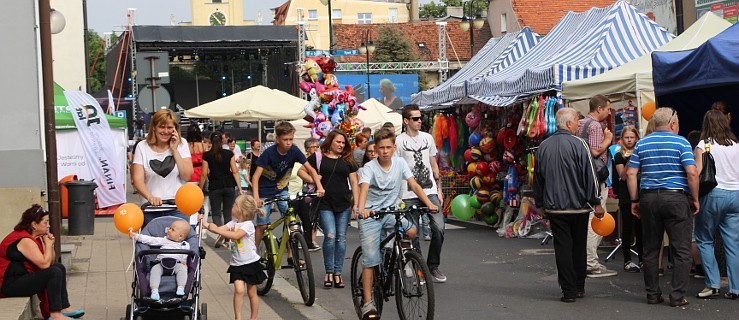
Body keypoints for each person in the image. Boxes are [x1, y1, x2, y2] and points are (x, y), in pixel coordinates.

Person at [355, 128, 439, 319]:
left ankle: (398, 258)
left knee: (411, 231)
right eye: (381, 148)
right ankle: (368, 302)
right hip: (371, 215)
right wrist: (361, 209)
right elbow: (364, 188)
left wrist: (429, 203)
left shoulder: (400, 163)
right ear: (375, 149)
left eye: (388, 147)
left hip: (391, 212)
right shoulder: (369, 168)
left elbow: (414, 184)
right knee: (370, 258)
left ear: (394, 148)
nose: (385, 151)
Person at [626, 107, 700, 307]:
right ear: (673, 123)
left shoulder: (642, 144)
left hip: (649, 199)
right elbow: (692, 173)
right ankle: (677, 296)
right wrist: (695, 198)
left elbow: (631, 173)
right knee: (681, 249)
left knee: (650, 248)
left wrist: (634, 200)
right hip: (676, 199)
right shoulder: (681, 142)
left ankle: (652, 294)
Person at [534, 108, 605, 303]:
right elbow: (590, 175)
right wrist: (596, 201)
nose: (578, 125)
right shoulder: (580, 144)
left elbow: (538, 179)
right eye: (576, 122)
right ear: (568, 124)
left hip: (555, 207)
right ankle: (579, 286)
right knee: (578, 247)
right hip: (578, 206)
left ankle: (568, 291)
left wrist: (540, 203)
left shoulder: (543, 146)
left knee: (563, 248)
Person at [0, 205, 84, 320]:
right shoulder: (25, 240)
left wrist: (50, 245)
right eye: (45, 222)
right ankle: (55, 314)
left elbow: (51, 261)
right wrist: (48, 245)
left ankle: (63, 307)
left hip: (20, 278)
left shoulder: (34, 237)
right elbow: (44, 265)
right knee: (53, 272)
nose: (48, 225)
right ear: (34, 225)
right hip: (8, 285)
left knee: (59, 267)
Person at [299, 131, 359, 289]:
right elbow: (301, 171)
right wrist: (314, 180)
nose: (341, 145)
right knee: (330, 235)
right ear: (330, 141)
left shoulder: (347, 159)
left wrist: (357, 203)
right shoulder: (319, 157)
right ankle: (329, 271)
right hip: (325, 203)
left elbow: (354, 182)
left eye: (343, 143)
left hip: (344, 203)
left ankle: (338, 272)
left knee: (341, 238)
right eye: (338, 142)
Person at [252, 121, 324, 250]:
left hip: (282, 189)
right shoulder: (269, 153)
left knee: (290, 221)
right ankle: (253, 253)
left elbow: (311, 170)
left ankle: (293, 255)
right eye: (285, 139)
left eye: (291, 139)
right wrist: (256, 197)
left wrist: (319, 187)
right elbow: (256, 176)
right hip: (265, 191)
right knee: (262, 225)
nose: (289, 142)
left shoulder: (294, 151)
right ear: (278, 139)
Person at [395, 104, 447, 282]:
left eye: (420, 118)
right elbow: (397, 169)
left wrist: (439, 188)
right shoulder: (399, 141)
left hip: (429, 189)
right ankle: (418, 266)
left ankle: (433, 265)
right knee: (412, 231)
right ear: (406, 121)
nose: (420, 121)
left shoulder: (427, 138)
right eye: (416, 118)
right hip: (408, 192)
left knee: (439, 228)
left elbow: (433, 164)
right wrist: (397, 195)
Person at [693, 110, 739, 300]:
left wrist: (694, 198)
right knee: (733, 243)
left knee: (704, 238)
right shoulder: (736, 144)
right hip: (736, 194)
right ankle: (735, 287)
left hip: (713, 195)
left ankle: (713, 284)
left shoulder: (704, 144)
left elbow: (697, 172)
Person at [201, 194, 267, 320]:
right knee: (239, 290)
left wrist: (218, 231)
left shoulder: (247, 225)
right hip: (237, 264)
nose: (232, 206)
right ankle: (238, 317)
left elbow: (236, 236)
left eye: (235, 205)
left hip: (250, 263)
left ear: (241, 210)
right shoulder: (233, 223)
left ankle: (254, 317)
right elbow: (218, 229)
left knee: (252, 293)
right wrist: (205, 223)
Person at [576, 94, 617, 278]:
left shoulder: (580, 124)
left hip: (582, 178)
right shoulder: (594, 126)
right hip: (596, 177)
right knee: (597, 218)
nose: (609, 112)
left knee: (589, 219)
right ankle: (591, 262)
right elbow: (594, 151)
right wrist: (607, 140)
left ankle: (586, 260)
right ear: (599, 109)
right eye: (608, 109)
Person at [132, 109, 193, 225]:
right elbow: (137, 180)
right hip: (151, 209)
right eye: (162, 127)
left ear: (175, 129)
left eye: (169, 127)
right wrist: (150, 197)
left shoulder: (182, 144)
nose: (166, 131)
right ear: (154, 127)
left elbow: (187, 175)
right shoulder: (142, 147)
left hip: (177, 208)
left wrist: (174, 150)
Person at [129, 219, 191, 300]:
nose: (169, 230)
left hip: (177, 264)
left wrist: (184, 262)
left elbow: (186, 255)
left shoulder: (185, 245)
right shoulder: (164, 240)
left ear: (181, 236)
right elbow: (150, 240)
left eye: (172, 230)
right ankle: (154, 290)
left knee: (182, 270)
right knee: (154, 271)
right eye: (169, 228)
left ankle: (181, 287)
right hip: (161, 263)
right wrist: (137, 236)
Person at [201, 131, 241, 247]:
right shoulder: (229, 153)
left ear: (210, 141)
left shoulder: (207, 155)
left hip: (215, 186)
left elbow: (204, 174)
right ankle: (228, 238)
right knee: (228, 213)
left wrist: (200, 188)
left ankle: (221, 232)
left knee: (216, 213)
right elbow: (234, 171)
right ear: (222, 141)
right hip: (229, 185)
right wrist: (239, 187)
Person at [613, 126, 643, 273]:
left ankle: (643, 259)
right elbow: (623, 176)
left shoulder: (641, 153)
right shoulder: (619, 156)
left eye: (632, 137)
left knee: (641, 228)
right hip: (626, 195)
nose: (630, 140)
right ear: (622, 139)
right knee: (628, 227)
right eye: (627, 137)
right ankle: (627, 260)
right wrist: (631, 159)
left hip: (641, 192)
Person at [289, 138, 321, 251]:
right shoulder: (299, 161)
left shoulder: (317, 161)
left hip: (305, 194)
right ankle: (290, 242)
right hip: (291, 193)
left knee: (308, 219)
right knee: (291, 219)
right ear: (307, 149)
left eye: (317, 146)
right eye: (313, 147)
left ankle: (309, 241)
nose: (316, 149)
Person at [187, 125, 206, 227]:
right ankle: (203, 224)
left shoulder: (186, 146)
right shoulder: (203, 146)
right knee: (203, 201)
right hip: (202, 173)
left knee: (191, 200)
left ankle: (193, 222)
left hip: (190, 175)